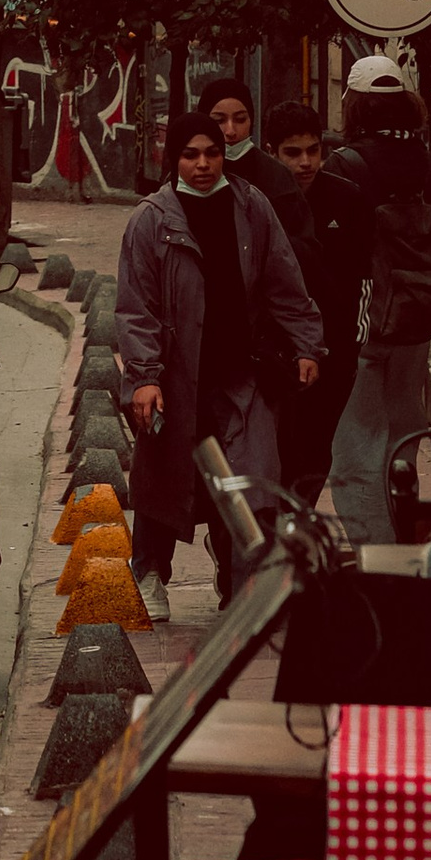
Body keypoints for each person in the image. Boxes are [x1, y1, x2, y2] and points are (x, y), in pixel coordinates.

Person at [117, 103, 323, 621]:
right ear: (174, 159)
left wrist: (306, 345)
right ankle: (148, 572)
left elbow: (284, 282)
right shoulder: (151, 220)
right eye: (191, 155)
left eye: (212, 153)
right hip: (175, 378)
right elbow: (135, 307)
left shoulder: (251, 207)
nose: (203, 164)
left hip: (241, 376)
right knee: (165, 484)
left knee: (252, 485)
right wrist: (143, 378)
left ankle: (244, 595)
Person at [319, 56, 431, 549]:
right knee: (404, 436)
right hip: (416, 319)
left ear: (354, 103)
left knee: (355, 449)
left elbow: (330, 250)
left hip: (364, 324)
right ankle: (409, 543)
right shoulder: (425, 160)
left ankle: (379, 558)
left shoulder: (346, 164)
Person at [265, 98, 355, 504]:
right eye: (293, 153)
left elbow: (362, 276)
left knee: (317, 454)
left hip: (334, 351)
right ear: (272, 152)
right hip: (277, 352)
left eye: (313, 150)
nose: (305, 162)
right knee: (276, 452)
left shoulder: (346, 198)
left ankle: (295, 531)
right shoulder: (260, 202)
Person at [196, 78, 306, 222]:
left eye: (240, 119)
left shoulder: (276, 176)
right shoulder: (186, 173)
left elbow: (302, 238)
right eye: (219, 121)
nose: (230, 131)